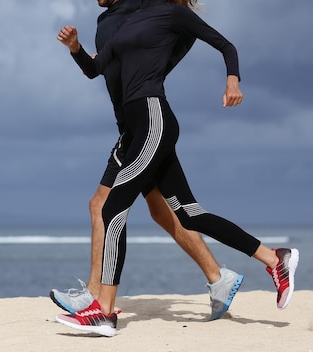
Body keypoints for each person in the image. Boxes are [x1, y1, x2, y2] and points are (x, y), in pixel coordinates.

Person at [54, 0, 300, 337]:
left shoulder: (172, 13)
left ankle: (105, 312)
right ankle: (275, 259)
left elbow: (225, 45)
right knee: (189, 214)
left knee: (112, 207)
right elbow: (94, 69)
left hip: (154, 117)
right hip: (139, 127)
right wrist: (75, 48)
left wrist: (233, 81)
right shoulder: (126, 22)